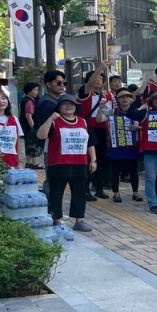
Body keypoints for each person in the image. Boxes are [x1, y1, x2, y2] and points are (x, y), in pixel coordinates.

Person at [36, 93, 99, 232]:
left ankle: (79, 220)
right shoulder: (54, 122)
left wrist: (93, 160)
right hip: (58, 164)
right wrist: (51, 117)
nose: (68, 106)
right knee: (56, 193)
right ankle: (56, 219)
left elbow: (90, 143)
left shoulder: (83, 122)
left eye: (71, 104)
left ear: (76, 107)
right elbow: (40, 135)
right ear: (58, 107)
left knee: (79, 193)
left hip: (80, 164)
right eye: (64, 104)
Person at [77, 61, 115, 200]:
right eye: (96, 78)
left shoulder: (108, 96)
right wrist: (100, 68)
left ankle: (99, 187)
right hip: (86, 130)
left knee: (102, 160)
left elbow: (109, 116)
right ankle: (85, 190)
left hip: (101, 131)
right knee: (87, 160)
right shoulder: (85, 92)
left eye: (101, 79)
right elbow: (90, 83)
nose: (98, 80)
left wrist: (110, 134)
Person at [107, 89, 142, 203]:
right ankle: (116, 193)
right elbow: (100, 120)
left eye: (128, 96)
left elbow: (147, 127)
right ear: (117, 100)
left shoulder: (138, 112)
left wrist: (137, 128)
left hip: (132, 146)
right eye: (122, 97)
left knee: (133, 170)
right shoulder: (112, 112)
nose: (125, 99)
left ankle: (135, 192)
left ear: (132, 99)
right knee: (115, 171)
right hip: (116, 146)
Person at [20, 81, 43, 168]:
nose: (37, 92)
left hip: (25, 128)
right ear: (29, 91)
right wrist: (34, 129)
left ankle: (29, 163)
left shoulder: (26, 100)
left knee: (29, 146)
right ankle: (34, 163)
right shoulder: (29, 102)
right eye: (35, 90)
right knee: (33, 145)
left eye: (37, 90)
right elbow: (29, 116)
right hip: (29, 128)